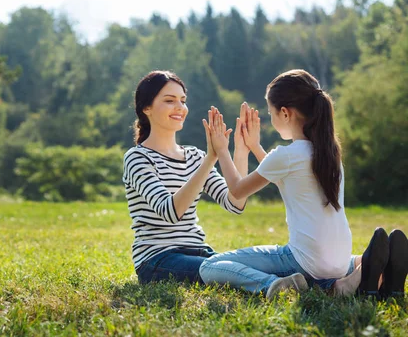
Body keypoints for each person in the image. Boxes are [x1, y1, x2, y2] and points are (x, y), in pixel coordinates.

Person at [201, 69, 407, 299]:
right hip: (338, 260)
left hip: (305, 260)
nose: (271, 119)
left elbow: (237, 190)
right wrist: (254, 146)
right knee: (338, 261)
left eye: (271, 113)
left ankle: (275, 284)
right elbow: (281, 173)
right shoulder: (328, 153)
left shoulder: (287, 156)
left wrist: (221, 151)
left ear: (285, 113)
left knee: (210, 266)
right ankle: (369, 269)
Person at [122, 70, 251, 285]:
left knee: (249, 263)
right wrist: (210, 159)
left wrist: (240, 150)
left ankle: (317, 282)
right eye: (169, 100)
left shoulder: (194, 156)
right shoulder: (137, 158)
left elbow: (235, 203)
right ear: (147, 108)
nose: (180, 107)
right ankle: (271, 286)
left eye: (183, 100)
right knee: (229, 271)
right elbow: (170, 212)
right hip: (157, 259)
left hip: (199, 253)